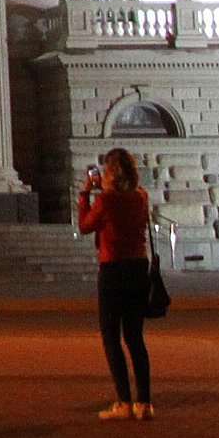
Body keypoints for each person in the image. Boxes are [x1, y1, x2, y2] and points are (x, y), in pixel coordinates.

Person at [75, 147, 155, 421]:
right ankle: (144, 402)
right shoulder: (141, 197)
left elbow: (85, 226)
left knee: (111, 338)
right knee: (135, 338)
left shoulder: (106, 201)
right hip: (138, 268)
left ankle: (123, 401)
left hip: (113, 269)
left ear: (110, 173)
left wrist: (86, 193)